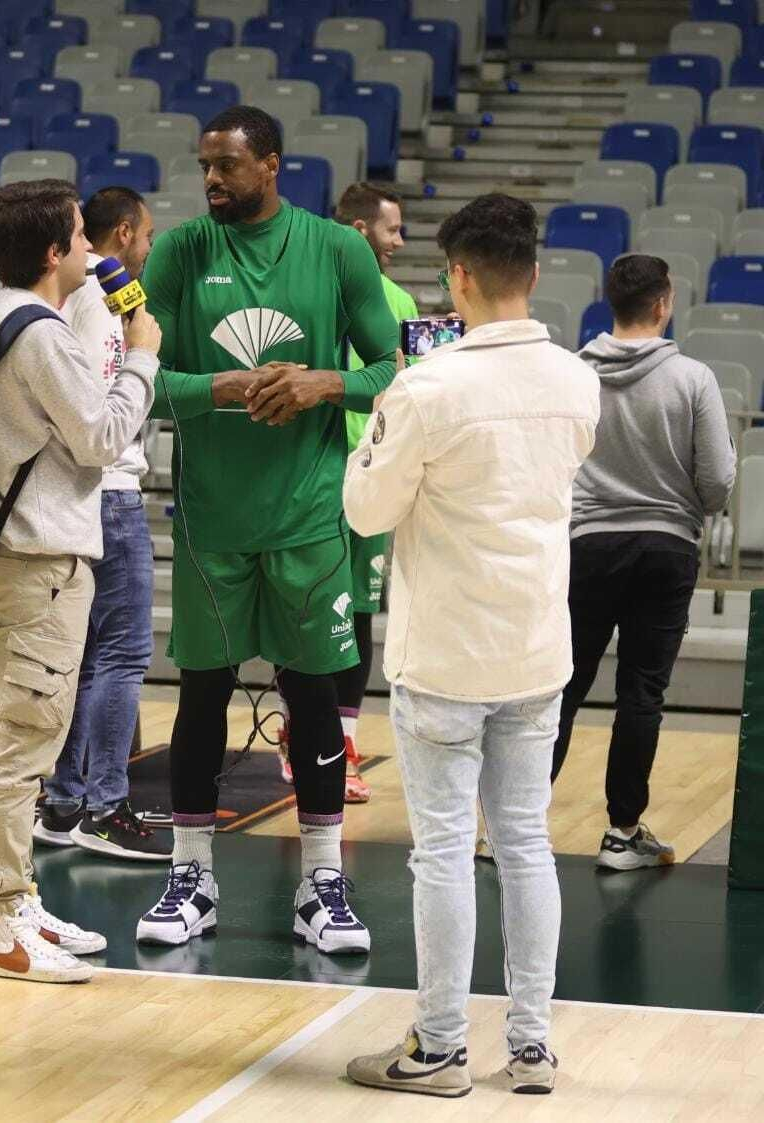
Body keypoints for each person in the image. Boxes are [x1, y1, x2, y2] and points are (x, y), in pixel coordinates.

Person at [342, 193, 600, 1098]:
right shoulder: (578, 378)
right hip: (534, 645)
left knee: (445, 852)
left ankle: (440, 1048)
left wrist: (364, 454)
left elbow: (367, 511)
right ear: (531, 274)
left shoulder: (427, 385)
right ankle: (531, 1048)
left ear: (456, 280)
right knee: (526, 844)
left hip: (447, 651)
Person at [133, 106, 398, 954]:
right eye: (204, 165)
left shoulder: (339, 250)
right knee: (200, 694)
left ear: (273, 166)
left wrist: (327, 382)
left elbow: (402, 371)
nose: (210, 179)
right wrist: (219, 388)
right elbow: (137, 380)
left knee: (314, 696)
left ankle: (322, 881)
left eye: (227, 166)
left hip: (311, 519)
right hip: (212, 520)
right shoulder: (179, 252)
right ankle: (191, 875)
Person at [0, 179, 158, 983]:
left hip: (32, 553)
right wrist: (143, 353)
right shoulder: (39, 332)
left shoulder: (2, 310)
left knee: (32, 736)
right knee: (20, 743)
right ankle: (0, 921)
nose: (93, 251)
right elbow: (102, 437)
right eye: (82, 238)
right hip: (39, 556)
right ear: (54, 252)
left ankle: (17, 895)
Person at [556, 253, 735, 869]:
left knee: (561, 688)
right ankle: (622, 833)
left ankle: (509, 828)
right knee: (642, 694)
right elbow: (717, 481)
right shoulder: (693, 378)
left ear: (612, 301)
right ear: (664, 302)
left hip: (586, 545)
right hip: (665, 548)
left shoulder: (573, 373)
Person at [32, 185, 169, 861]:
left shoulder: (84, 296)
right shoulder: (99, 303)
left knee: (86, 658)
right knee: (122, 654)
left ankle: (62, 802)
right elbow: (97, 402)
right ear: (121, 234)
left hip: (87, 491)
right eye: (143, 235)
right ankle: (106, 804)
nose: (148, 247)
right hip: (108, 489)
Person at [272, 183, 419, 804]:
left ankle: (347, 741)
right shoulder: (306, 287)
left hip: (376, 477)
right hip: (312, 476)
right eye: (392, 229)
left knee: (358, 613)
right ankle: (297, 733)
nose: (400, 240)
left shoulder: (403, 299)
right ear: (360, 231)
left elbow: (408, 385)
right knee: (305, 611)